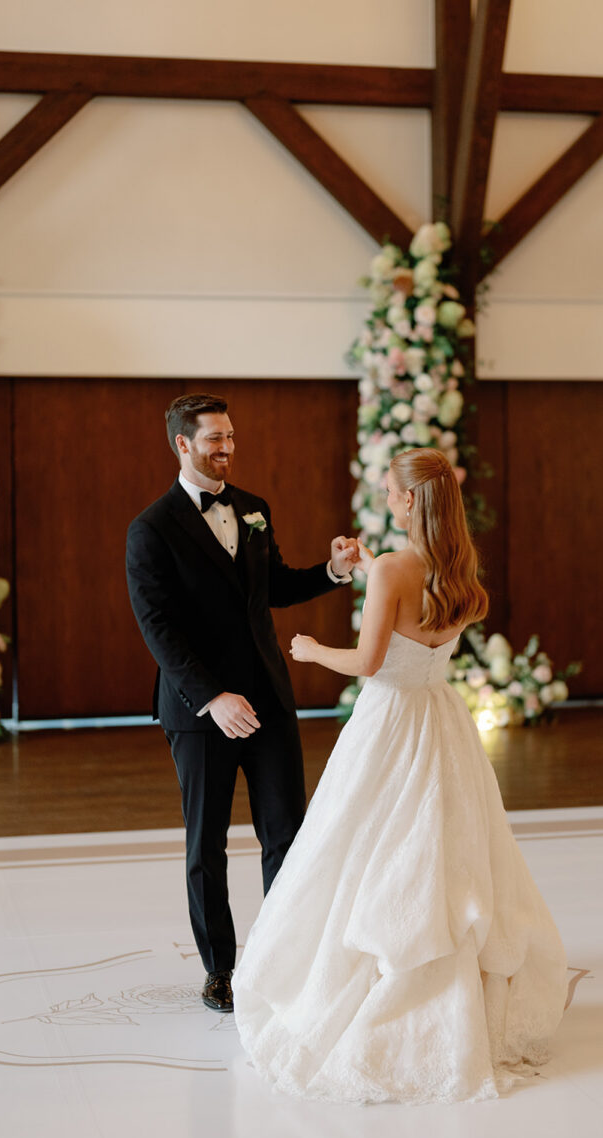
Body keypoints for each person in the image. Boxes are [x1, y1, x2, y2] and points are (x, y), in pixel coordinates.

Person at [232, 447, 568, 1104]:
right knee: (445, 847)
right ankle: (456, 974)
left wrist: (309, 649)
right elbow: (417, 633)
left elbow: (369, 659)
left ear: (412, 501)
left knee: (361, 843)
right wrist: (368, 572)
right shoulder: (461, 572)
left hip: (388, 723)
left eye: (390, 491)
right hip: (441, 719)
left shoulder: (393, 568)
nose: (385, 498)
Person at [125, 393, 360, 1014]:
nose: (227, 448)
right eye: (213, 440)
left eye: (230, 437)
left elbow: (273, 586)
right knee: (206, 846)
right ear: (183, 444)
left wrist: (331, 572)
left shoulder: (254, 509)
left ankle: (284, 958)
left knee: (287, 835)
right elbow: (158, 628)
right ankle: (219, 971)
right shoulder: (150, 529)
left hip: (268, 702)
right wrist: (209, 698)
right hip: (201, 714)